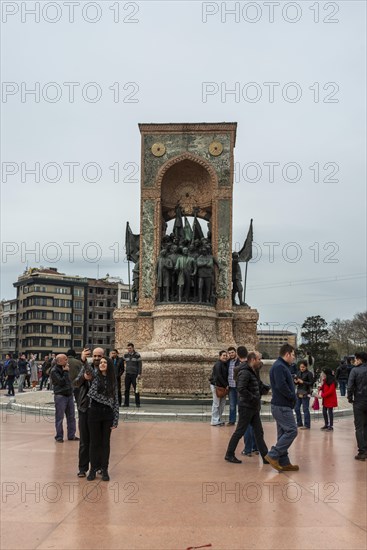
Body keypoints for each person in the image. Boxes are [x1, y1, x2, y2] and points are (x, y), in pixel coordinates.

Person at [225, 350, 269, 464]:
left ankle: (265, 456)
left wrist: (265, 388)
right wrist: (254, 397)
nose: (260, 361)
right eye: (259, 359)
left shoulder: (253, 370)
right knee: (240, 431)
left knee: (259, 432)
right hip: (246, 407)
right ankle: (229, 454)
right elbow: (241, 389)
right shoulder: (245, 372)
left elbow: (257, 384)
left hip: (253, 407)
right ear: (253, 359)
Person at [265, 344, 298, 472]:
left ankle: (284, 462)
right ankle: (273, 454)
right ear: (287, 354)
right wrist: (292, 397)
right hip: (282, 405)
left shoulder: (281, 366)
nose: (294, 358)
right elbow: (281, 386)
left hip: (280, 405)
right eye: (293, 355)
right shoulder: (279, 366)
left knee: (283, 433)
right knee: (292, 431)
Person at [87, 357, 119, 482]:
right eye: (100, 363)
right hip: (94, 412)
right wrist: (84, 360)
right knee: (94, 443)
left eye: (105, 362)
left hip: (107, 414)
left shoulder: (113, 380)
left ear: (109, 365)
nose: (102, 364)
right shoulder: (95, 376)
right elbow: (91, 393)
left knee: (105, 443)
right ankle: (93, 469)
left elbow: (115, 400)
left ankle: (104, 469)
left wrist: (116, 418)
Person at [74, 347, 104, 476]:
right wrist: (84, 378)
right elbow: (76, 383)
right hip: (85, 408)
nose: (97, 358)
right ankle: (82, 468)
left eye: (99, 356)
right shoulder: (86, 367)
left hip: (99, 409)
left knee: (98, 440)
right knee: (84, 440)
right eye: (95, 356)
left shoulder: (105, 369)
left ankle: (97, 466)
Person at [51, 354, 79, 443]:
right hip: (60, 395)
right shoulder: (54, 370)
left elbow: (69, 381)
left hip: (69, 395)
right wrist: (66, 372)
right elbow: (61, 382)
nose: (67, 361)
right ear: (59, 361)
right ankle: (59, 436)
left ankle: (71, 435)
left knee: (71, 416)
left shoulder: (65, 368)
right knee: (59, 417)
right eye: (65, 359)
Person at [347, 351, 367, 460]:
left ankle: (362, 452)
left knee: (359, 427)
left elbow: (350, 386)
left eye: (355, 359)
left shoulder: (355, 370)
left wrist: (350, 398)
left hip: (359, 401)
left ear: (359, 359)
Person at [209, 350, 228, 426]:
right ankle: (214, 420)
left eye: (226, 355)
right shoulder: (218, 364)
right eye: (223, 355)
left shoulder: (224, 364)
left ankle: (218, 418)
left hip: (222, 387)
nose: (225, 357)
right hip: (217, 386)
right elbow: (218, 376)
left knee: (222, 404)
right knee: (216, 404)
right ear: (220, 356)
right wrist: (226, 384)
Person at [294, 360, 314, 429]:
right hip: (299, 392)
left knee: (305, 409)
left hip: (306, 392)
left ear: (306, 367)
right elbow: (297, 383)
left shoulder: (309, 373)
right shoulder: (298, 372)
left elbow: (311, 383)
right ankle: (299, 423)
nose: (302, 368)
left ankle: (307, 425)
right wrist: (296, 382)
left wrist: (303, 382)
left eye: (303, 367)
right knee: (296, 408)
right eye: (301, 367)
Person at [123, 343, 142, 408]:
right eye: (128, 348)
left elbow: (140, 365)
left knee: (136, 389)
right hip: (128, 374)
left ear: (133, 348)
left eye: (130, 348)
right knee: (126, 390)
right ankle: (126, 403)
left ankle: (138, 403)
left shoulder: (137, 355)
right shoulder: (125, 355)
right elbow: (121, 361)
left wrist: (139, 373)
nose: (129, 349)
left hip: (135, 375)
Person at [227, 346, 241, 426]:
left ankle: (241, 421)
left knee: (240, 405)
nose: (231, 354)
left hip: (238, 386)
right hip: (231, 386)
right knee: (232, 405)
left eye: (232, 352)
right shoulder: (228, 362)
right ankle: (232, 420)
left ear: (235, 352)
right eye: (229, 353)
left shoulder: (239, 361)